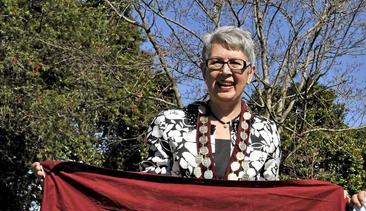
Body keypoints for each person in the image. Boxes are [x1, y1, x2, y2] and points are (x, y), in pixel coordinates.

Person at [33, 26, 281, 181]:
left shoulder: (268, 132)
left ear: (250, 73)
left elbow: (273, 201)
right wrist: (65, 180)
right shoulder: (170, 123)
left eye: (236, 63)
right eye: (216, 62)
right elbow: (145, 189)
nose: (226, 72)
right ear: (204, 71)